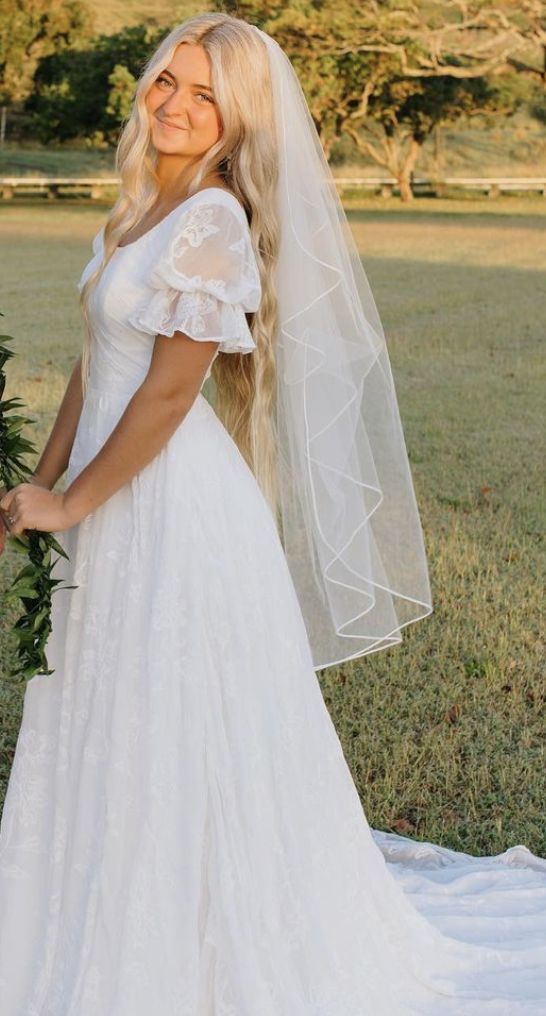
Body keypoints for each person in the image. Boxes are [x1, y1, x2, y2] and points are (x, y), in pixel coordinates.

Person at [0, 13, 545, 1015]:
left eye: (204, 95)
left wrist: (75, 494)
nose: (175, 104)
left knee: (174, 709)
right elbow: (95, 366)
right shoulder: (137, 207)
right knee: (109, 704)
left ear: (238, 117)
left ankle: (190, 934)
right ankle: (96, 901)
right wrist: (39, 490)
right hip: (110, 489)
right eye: (169, 80)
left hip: (169, 501)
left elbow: (166, 395)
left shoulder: (210, 221)